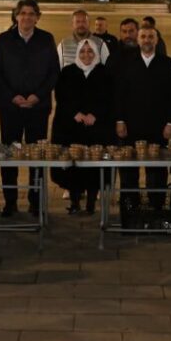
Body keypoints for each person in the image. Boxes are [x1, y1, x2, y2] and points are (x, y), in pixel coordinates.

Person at [0, 0, 59, 216]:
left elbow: (53, 73)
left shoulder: (46, 39)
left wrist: (37, 96)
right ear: (16, 16)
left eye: (31, 14)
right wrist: (13, 97)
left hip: (38, 109)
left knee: (36, 156)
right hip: (11, 109)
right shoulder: (4, 40)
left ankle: (35, 202)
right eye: (23, 13)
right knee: (10, 155)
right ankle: (10, 201)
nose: (27, 17)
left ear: (37, 17)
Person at [114, 27, 171, 209]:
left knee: (157, 168)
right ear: (138, 40)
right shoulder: (127, 62)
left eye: (151, 37)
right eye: (143, 36)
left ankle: (156, 205)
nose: (147, 40)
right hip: (131, 126)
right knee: (129, 168)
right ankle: (130, 205)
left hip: (158, 127)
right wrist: (119, 120)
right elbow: (120, 93)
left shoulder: (167, 63)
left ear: (157, 40)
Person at [52, 39, 114, 214]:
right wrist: (75, 113)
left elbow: (109, 98)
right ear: (77, 54)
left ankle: (91, 204)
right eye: (83, 52)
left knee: (93, 166)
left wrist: (95, 115)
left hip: (96, 129)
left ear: (96, 54)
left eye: (90, 52)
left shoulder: (104, 73)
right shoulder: (68, 72)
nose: (86, 55)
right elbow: (61, 96)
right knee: (74, 166)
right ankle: (74, 202)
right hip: (73, 128)